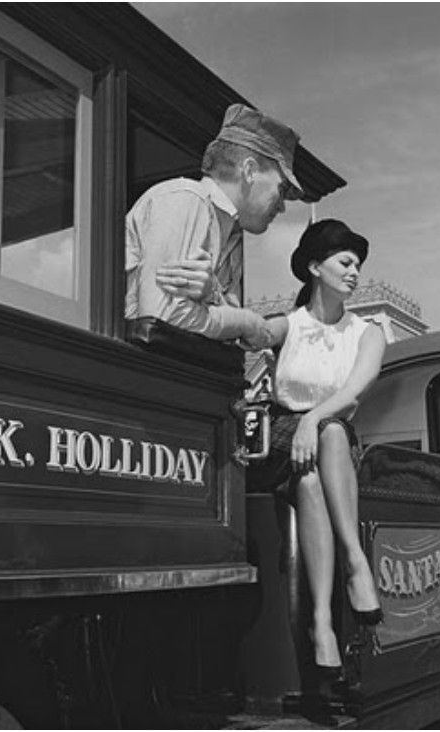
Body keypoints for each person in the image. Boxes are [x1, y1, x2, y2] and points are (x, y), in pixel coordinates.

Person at [255, 218, 386, 678]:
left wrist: (314, 418)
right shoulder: (288, 325)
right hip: (282, 435)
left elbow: (352, 394)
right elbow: (247, 331)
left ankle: (323, 622)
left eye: (358, 265)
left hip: (329, 437)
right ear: (315, 266)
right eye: (345, 262)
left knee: (317, 466)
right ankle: (356, 566)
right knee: (322, 440)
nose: (354, 272)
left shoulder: (368, 333)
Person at [125, 103, 303, 349]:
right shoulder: (186, 198)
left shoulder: (232, 234)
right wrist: (248, 322)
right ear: (249, 171)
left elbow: (231, 339)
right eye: (281, 189)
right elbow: (163, 318)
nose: (282, 206)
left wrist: (212, 294)